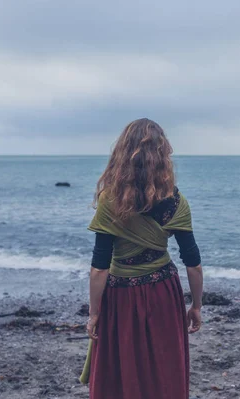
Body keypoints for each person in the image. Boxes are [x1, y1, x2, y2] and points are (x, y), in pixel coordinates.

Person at [79, 118, 204, 399]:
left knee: (121, 370)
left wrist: (94, 313)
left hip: (120, 294)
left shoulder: (111, 200)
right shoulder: (176, 202)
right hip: (163, 292)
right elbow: (193, 262)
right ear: (163, 156)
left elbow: (99, 267)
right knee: (164, 367)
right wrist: (196, 305)